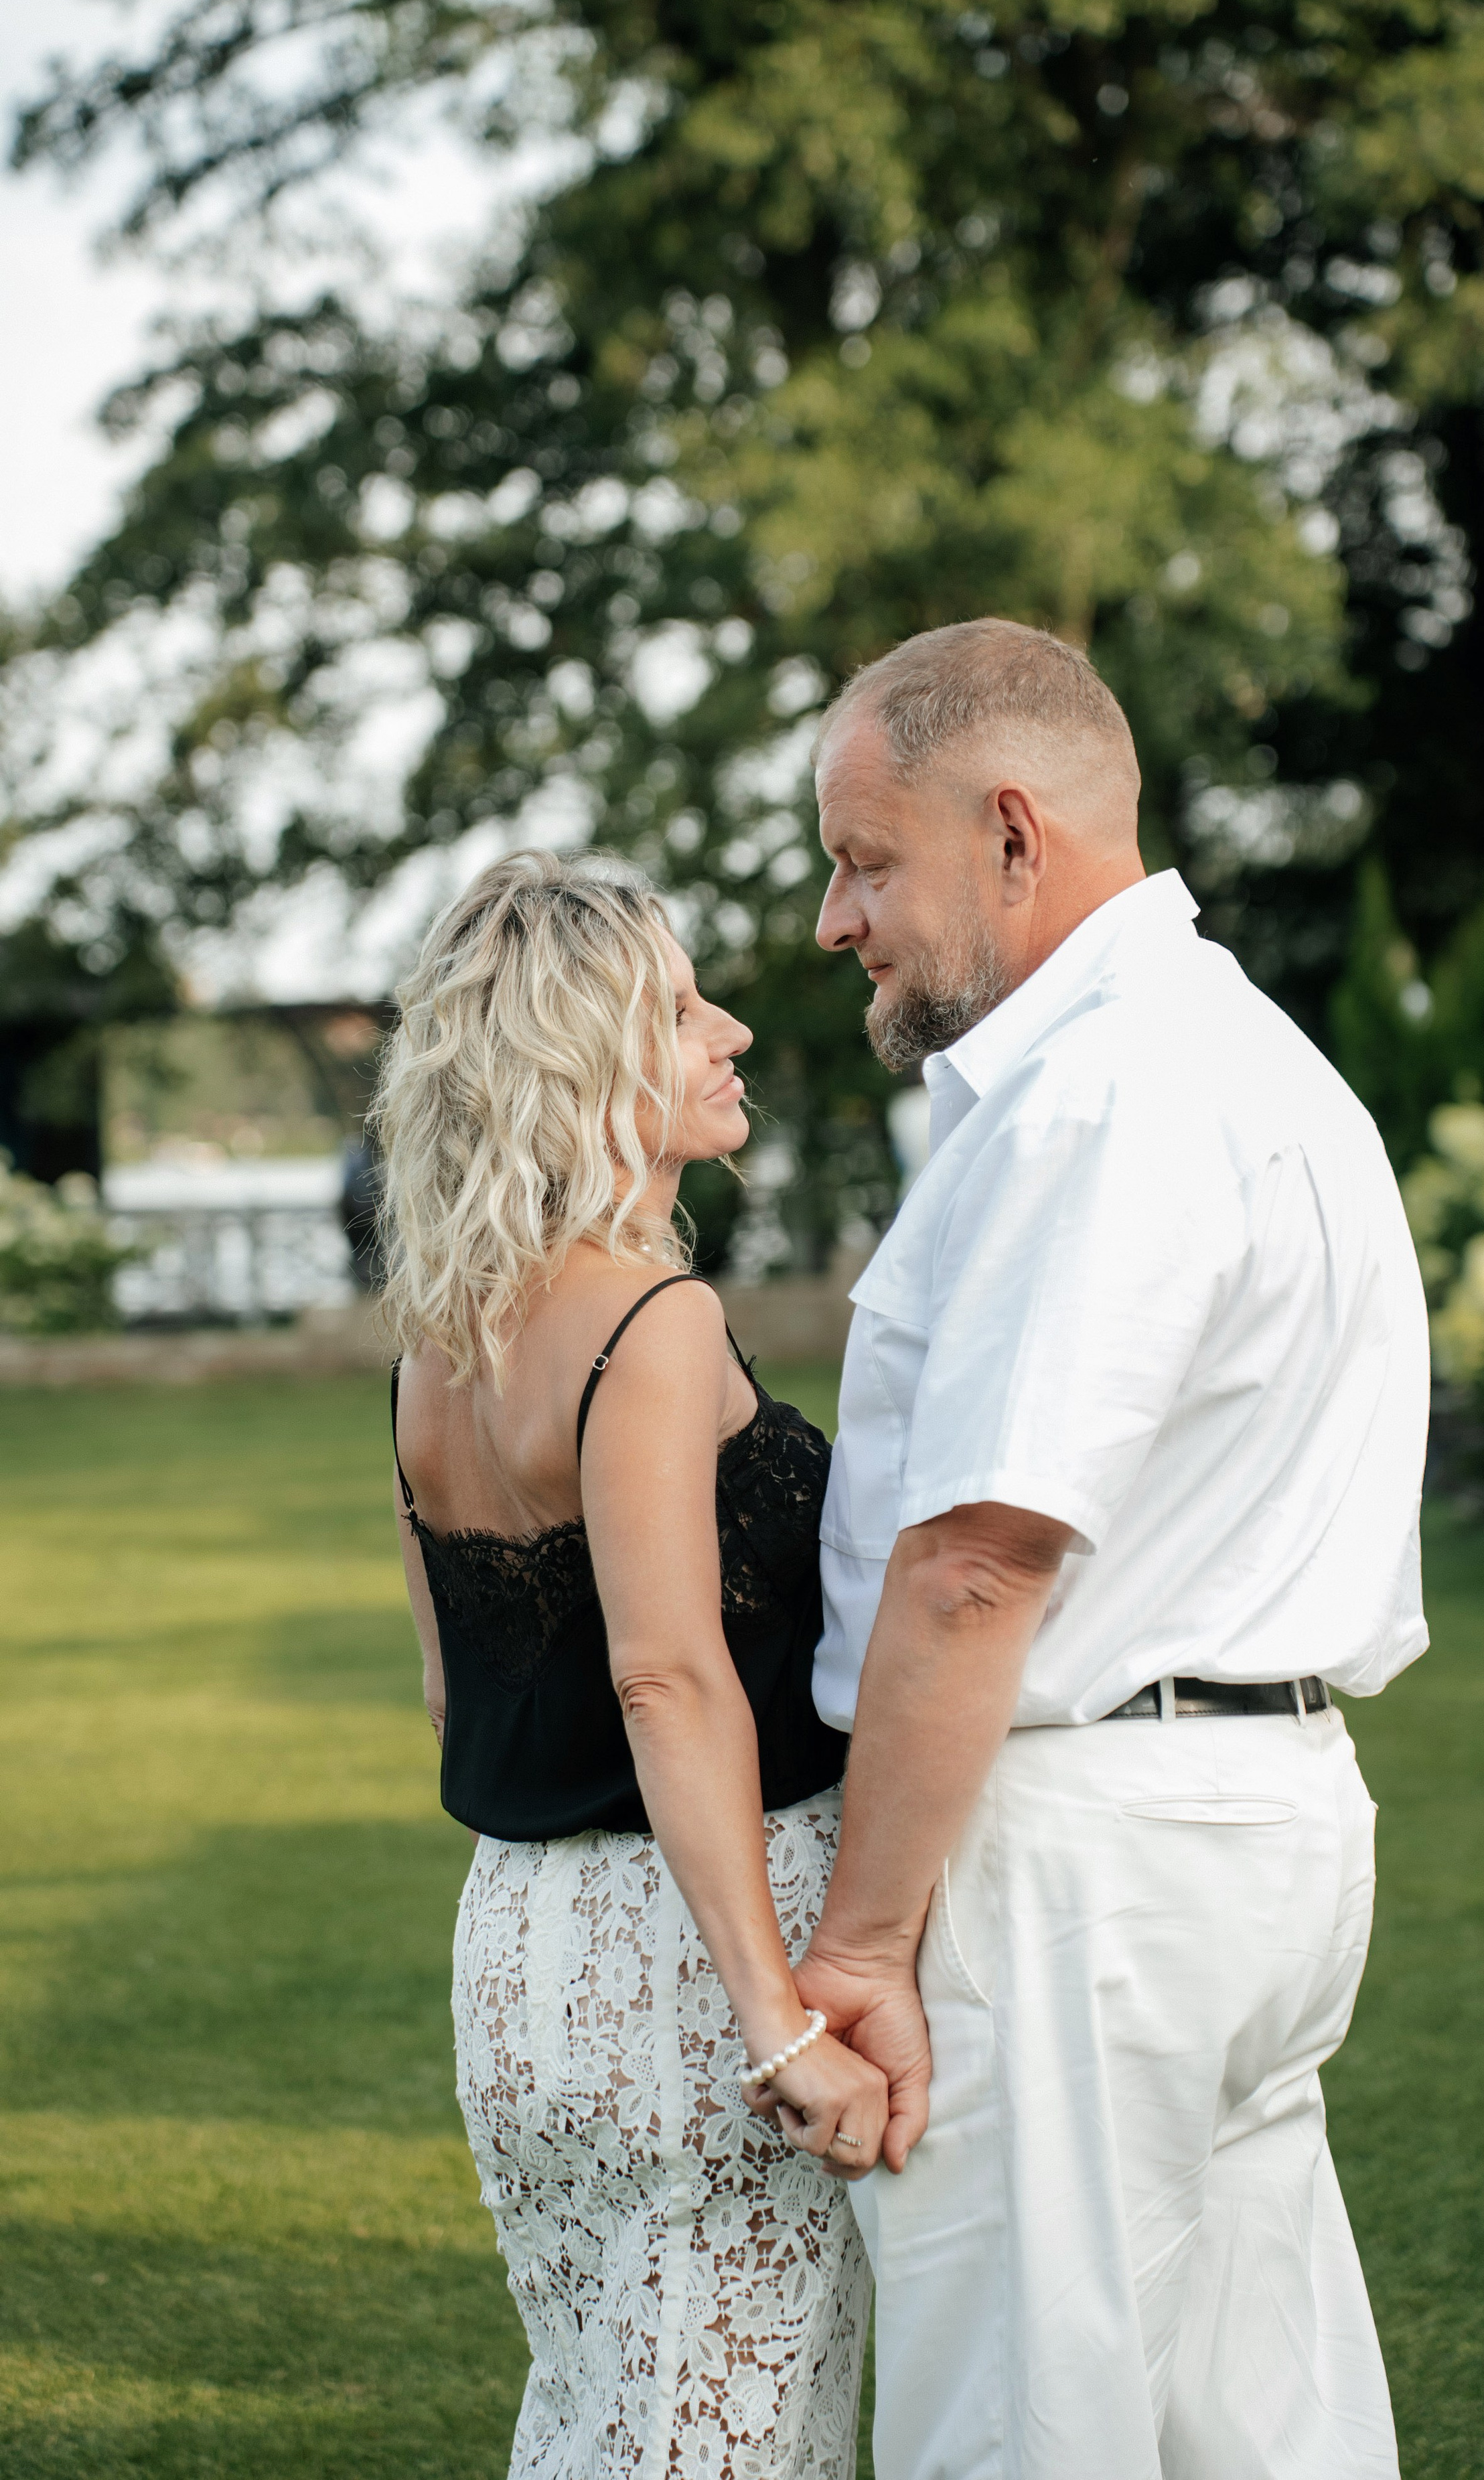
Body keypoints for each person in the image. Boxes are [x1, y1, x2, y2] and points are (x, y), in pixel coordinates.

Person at [794, 620, 1430, 2480]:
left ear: (1010, 834)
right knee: (1266, 2423)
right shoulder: (1254, 1060)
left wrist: (867, 1940)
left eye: (863, 858)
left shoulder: (1098, 1097)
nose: (840, 920)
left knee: (1026, 2431)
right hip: (1261, 1830)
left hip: (1085, 1865)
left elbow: (980, 1563)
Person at [374, 853, 881, 2480]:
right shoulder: (647, 1321)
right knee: (723, 2441)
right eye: (676, 1008)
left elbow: (458, 1690)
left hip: (519, 1953)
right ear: (581, 1060)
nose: (727, 1028)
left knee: (596, 2410)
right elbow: (667, 1682)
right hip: (689, 1965)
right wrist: (777, 2024)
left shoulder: (438, 1343)